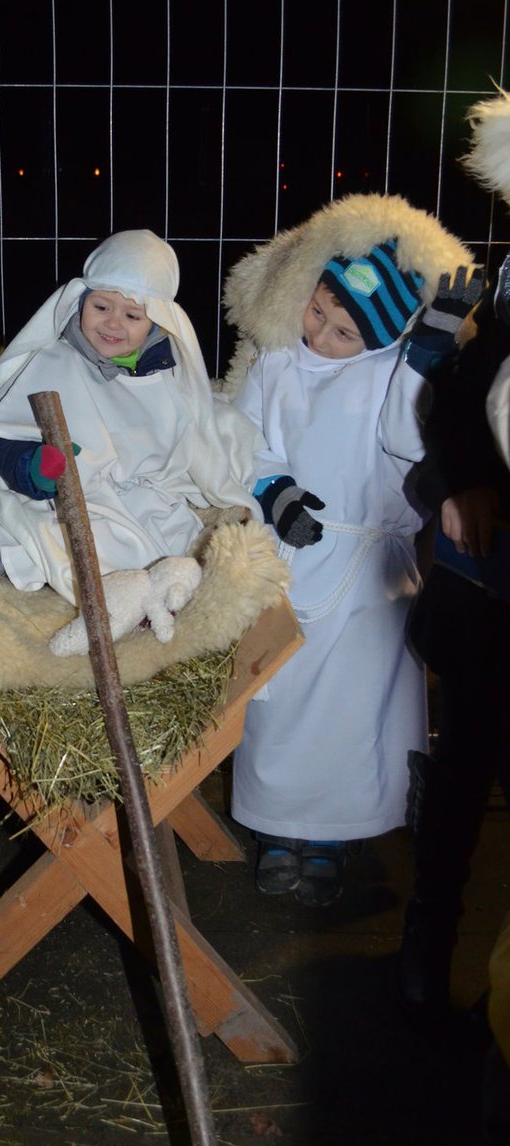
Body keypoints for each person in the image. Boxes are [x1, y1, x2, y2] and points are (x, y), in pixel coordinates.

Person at [219, 195, 477, 906]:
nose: (324, 336)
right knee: (282, 691)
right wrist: (274, 492)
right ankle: (278, 829)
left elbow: (408, 437)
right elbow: (243, 438)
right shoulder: (277, 363)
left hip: (369, 571)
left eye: (345, 331)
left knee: (353, 703)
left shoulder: (390, 374)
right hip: (292, 555)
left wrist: (428, 352)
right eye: (319, 313)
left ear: (382, 337)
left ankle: (331, 837)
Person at [0, 229, 260, 611]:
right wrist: (34, 469)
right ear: (79, 301)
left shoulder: (166, 378)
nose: (113, 324)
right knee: (51, 536)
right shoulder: (53, 363)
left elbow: (193, 435)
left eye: (132, 315)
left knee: (175, 546)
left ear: (158, 323)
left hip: (145, 499)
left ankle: (148, 603)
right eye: (101, 307)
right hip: (70, 497)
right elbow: (3, 439)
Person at [397, 89, 510, 1019]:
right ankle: (425, 957)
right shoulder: (499, 324)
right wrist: (450, 492)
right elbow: (435, 432)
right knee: (464, 767)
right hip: (484, 604)